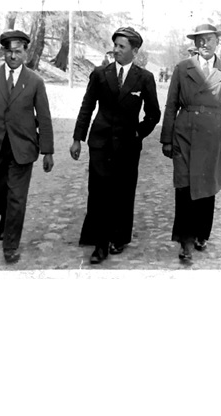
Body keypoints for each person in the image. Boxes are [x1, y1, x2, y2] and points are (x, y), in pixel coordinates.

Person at [70, 27, 161, 264]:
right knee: (99, 192)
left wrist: (138, 132)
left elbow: (154, 113)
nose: (116, 50)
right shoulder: (100, 74)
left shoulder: (144, 78)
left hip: (128, 146)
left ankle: (119, 237)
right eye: (115, 45)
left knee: (123, 192)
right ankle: (99, 245)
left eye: (122, 46)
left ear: (135, 51)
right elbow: (87, 106)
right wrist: (78, 138)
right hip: (100, 143)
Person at [0, 30, 55, 264]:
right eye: (9, 51)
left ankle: (10, 245)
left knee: (17, 198)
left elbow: (44, 117)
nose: (13, 56)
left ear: (25, 52)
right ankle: (6, 217)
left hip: (22, 148)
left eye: (17, 51)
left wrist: (48, 151)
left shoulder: (35, 81)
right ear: (3, 53)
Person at [160, 23, 221, 262]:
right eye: (200, 40)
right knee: (184, 186)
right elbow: (171, 104)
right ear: (195, 44)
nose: (204, 44)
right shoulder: (182, 68)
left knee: (207, 185)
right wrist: (166, 139)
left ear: (217, 41)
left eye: (209, 40)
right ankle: (185, 241)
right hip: (185, 134)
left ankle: (201, 234)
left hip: (213, 136)